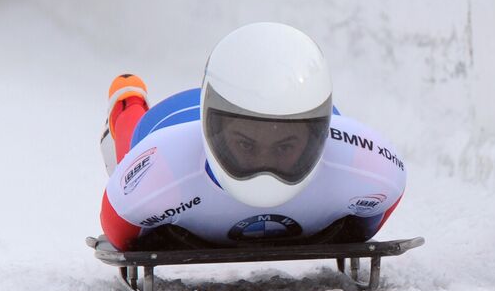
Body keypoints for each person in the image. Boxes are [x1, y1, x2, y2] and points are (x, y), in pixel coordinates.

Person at [99, 22, 406, 252]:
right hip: (177, 116)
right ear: (211, 128)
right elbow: (119, 229)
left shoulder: (370, 163)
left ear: (319, 132)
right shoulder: (164, 158)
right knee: (132, 150)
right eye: (246, 145)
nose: (263, 162)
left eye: (284, 145)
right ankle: (128, 104)